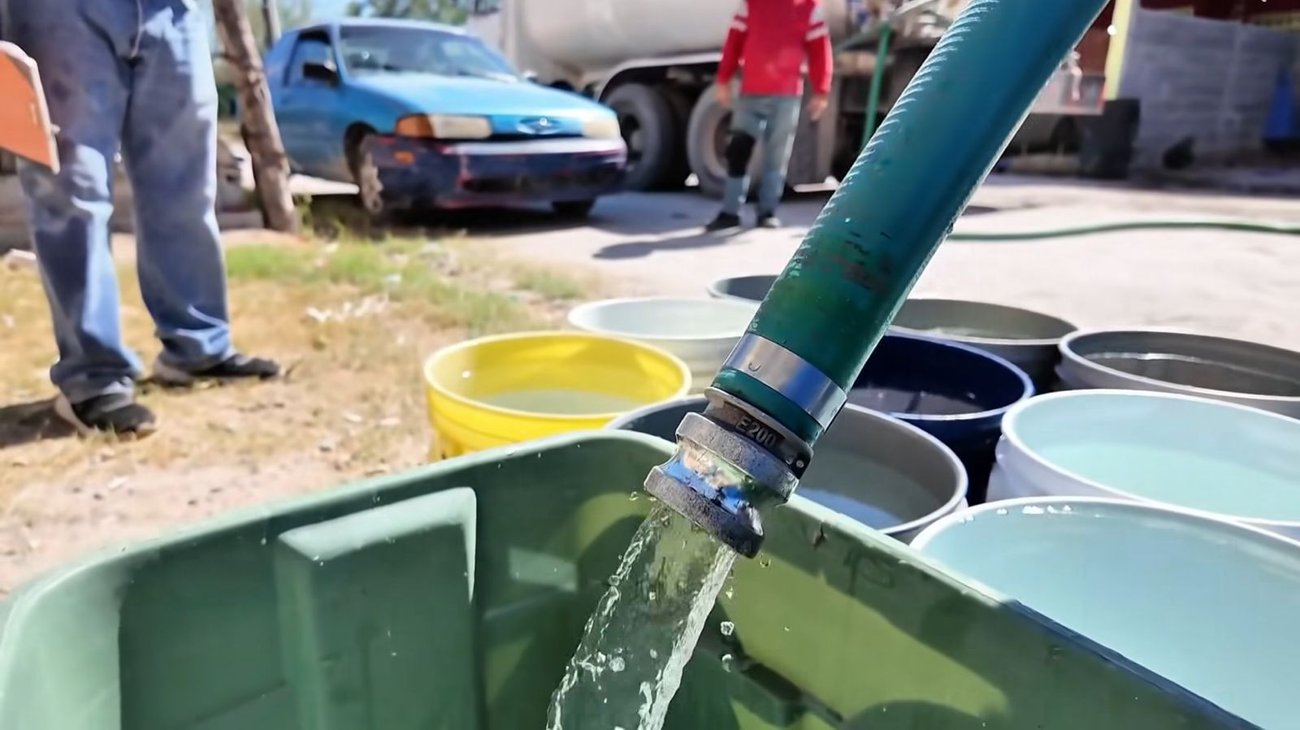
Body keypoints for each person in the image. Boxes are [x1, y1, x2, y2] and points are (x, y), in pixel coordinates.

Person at [4, 0, 279, 438]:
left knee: (185, 185)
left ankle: (197, 346)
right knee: (71, 188)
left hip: (170, 10)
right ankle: (93, 378)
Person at [705, 0, 833, 232]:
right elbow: (734, 41)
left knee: (776, 156)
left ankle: (767, 212)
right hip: (751, 92)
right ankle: (730, 212)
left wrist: (821, 91)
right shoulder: (751, 4)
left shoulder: (808, 7)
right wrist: (723, 79)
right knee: (738, 151)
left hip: (787, 96)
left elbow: (820, 51)